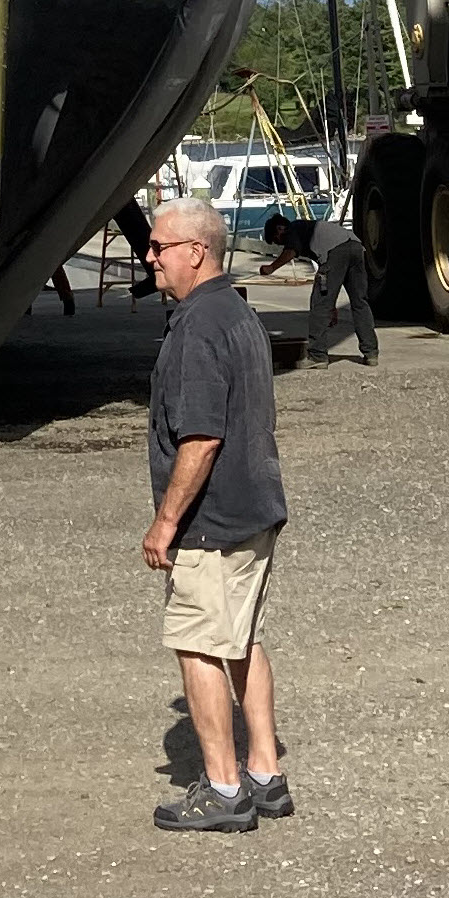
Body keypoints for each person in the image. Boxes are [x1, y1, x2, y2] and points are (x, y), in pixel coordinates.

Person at [139, 195, 290, 834]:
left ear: (196, 252)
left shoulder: (198, 326)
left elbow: (201, 438)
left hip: (213, 520)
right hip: (255, 507)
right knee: (242, 638)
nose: (149, 257)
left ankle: (225, 788)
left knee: (198, 645)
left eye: (159, 247)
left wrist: (166, 522)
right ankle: (265, 773)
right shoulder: (236, 311)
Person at [261, 203, 382, 367]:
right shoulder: (308, 229)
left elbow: (291, 251)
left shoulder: (293, 229)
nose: (281, 244)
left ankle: (317, 355)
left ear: (279, 229)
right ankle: (371, 352)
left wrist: (271, 268)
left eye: (277, 240)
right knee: (360, 302)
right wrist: (332, 306)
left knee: (319, 305)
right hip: (355, 246)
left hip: (335, 252)